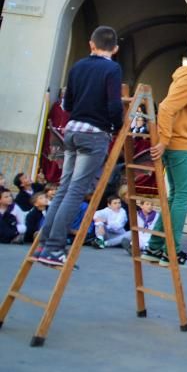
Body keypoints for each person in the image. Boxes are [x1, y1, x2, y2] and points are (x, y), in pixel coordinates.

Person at [36, 26, 123, 267]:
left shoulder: (78, 66)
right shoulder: (112, 68)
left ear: (91, 44)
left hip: (72, 130)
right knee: (76, 191)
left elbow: (68, 102)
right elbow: (115, 105)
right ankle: (54, 248)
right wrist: (117, 126)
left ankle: (44, 243)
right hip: (94, 133)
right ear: (115, 48)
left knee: (64, 188)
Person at [141, 43, 187, 267]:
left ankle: (155, 248)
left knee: (176, 196)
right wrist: (163, 141)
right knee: (184, 195)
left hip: (178, 141)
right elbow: (165, 108)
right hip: (180, 145)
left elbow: (179, 111)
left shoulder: (186, 76)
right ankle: (169, 251)